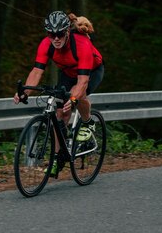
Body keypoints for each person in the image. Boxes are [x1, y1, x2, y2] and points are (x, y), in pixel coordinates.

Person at [13, 10, 104, 176]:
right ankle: (57, 157)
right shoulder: (46, 44)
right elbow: (36, 71)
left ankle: (88, 122)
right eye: (51, 34)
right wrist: (25, 92)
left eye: (60, 34)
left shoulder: (82, 44)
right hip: (68, 73)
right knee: (60, 112)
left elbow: (82, 82)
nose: (55, 38)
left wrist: (74, 98)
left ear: (67, 31)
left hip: (92, 70)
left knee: (79, 95)